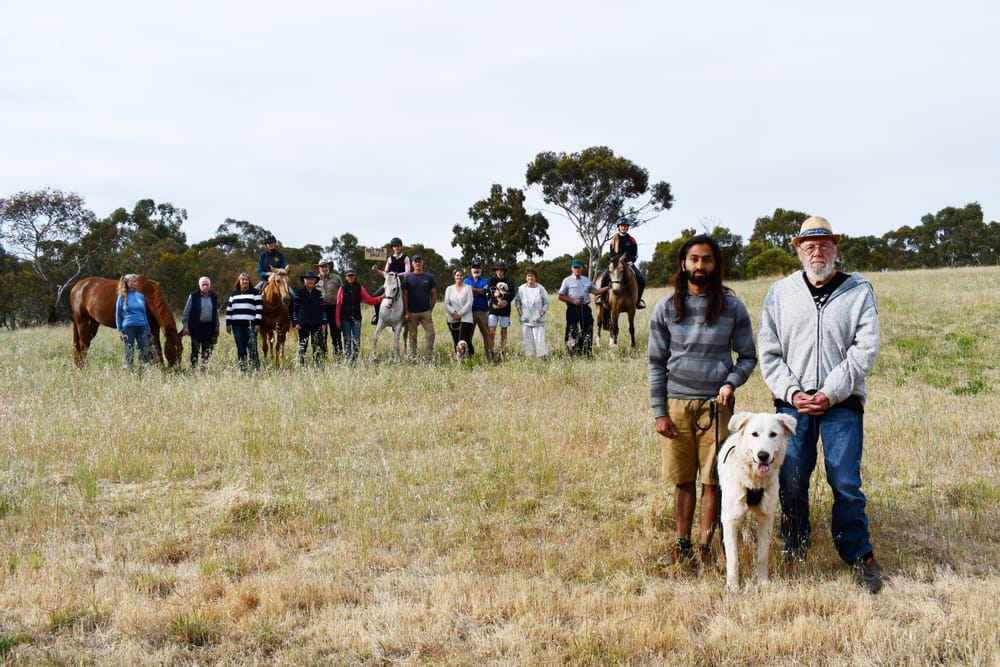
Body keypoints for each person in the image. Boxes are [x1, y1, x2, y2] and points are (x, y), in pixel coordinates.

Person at [758, 216, 884, 594]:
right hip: (791, 405)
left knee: (844, 480)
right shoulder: (780, 292)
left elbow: (866, 348)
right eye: (809, 246)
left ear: (836, 249)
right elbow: (769, 351)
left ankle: (857, 553)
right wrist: (793, 392)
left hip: (841, 402)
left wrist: (830, 391)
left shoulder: (858, 290)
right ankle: (796, 545)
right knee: (792, 478)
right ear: (798, 251)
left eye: (825, 245)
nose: (818, 252)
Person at [647, 235, 757, 569]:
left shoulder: (732, 307)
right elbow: (655, 363)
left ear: (715, 265)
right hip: (677, 405)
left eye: (706, 259)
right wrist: (659, 412)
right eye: (693, 259)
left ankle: (706, 547)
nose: (699, 266)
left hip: (717, 407)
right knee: (683, 480)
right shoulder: (666, 307)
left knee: (713, 480)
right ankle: (682, 544)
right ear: (683, 263)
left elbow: (748, 357)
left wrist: (730, 383)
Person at [557, 260, 609, 356]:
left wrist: (607, 288)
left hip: (585, 307)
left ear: (582, 268)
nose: (577, 269)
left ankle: (587, 351)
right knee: (572, 328)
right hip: (572, 308)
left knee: (588, 326)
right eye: (575, 267)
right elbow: (560, 296)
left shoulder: (586, 280)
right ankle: (571, 352)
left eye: (578, 267)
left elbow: (596, 292)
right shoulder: (567, 280)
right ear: (572, 269)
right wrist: (573, 301)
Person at [335, 268, 381, 362]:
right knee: (347, 340)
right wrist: (337, 320)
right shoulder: (341, 289)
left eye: (352, 276)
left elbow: (369, 300)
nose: (351, 277)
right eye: (349, 276)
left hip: (356, 318)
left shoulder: (360, 288)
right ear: (346, 277)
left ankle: (355, 359)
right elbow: (338, 305)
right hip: (345, 318)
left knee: (356, 340)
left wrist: (381, 298)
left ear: (355, 277)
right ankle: (348, 359)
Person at [600, 216, 646, 308]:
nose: (623, 227)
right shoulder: (614, 239)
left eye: (625, 226)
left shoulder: (631, 239)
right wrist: (616, 262)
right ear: (618, 227)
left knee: (642, 279)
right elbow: (612, 254)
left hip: (628, 264)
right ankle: (601, 298)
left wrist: (632, 261)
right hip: (616, 264)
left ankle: (638, 300)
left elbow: (635, 253)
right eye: (621, 226)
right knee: (604, 278)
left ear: (627, 227)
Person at [402, 254, 437, 362]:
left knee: (431, 334)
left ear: (422, 262)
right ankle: (414, 359)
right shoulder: (407, 277)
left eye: (419, 261)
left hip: (425, 312)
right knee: (412, 337)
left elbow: (434, 295)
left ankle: (428, 357)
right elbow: (405, 295)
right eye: (415, 261)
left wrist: (430, 310)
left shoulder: (429, 277)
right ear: (412, 263)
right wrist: (406, 312)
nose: (417, 263)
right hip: (412, 313)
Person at [225, 272, 262, 371]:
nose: (245, 281)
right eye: (242, 279)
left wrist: (258, 323)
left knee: (252, 347)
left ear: (249, 281)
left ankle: (255, 369)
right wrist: (228, 324)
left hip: (250, 325)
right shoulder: (233, 294)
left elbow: (259, 308)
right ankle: (243, 369)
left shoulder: (255, 293)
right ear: (239, 281)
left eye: (246, 279)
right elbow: (229, 309)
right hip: (236, 325)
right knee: (241, 348)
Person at [180, 276, 220, 369]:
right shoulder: (193, 296)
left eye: (207, 285)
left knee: (207, 351)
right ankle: (193, 368)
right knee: (195, 350)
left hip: (209, 327)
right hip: (196, 327)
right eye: (203, 285)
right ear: (199, 286)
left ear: (210, 286)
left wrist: (217, 328)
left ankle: (204, 369)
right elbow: (186, 313)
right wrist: (186, 327)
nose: (205, 286)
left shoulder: (213, 296)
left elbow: (216, 314)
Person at [114, 273, 152, 371]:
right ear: (128, 283)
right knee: (129, 350)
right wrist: (119, 330)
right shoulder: (121, 297)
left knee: (145, 350)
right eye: (134, 281)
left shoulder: (140, 296)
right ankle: (129, 371)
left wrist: (148, 328)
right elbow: (118, 314)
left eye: (137, 281)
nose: (137, 283)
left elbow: (144, 313)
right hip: (128, 327)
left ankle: (143, 370)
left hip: (142, 326)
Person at [370, 237, 411, 325]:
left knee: (408, 296)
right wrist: (377, 270)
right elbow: (385, 272)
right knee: (375, 296)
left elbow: (407, 272)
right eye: (395, 246)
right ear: (392, 248)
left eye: (398, 246)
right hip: (390, 283)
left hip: (401, 282)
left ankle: (408, 315)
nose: (397, 248)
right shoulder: (389, 259)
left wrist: (396, 275)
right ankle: (377, 316)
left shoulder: (405, 258)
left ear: (401, 246)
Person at [292, 270, 327, 367]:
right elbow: (295, 309)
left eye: (312, 280)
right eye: (308, 279)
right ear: (304, 280)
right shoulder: (298, 293)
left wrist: (324, 323)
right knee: (303, 345)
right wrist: (296, 322)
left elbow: (323, 309)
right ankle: (302, 365)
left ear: (315, 281)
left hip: (317, 323)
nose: (310, 281)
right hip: (303, 324)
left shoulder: (319, 293)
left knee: (316, 346)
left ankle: (317, 365)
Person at [514, 267, 549, 358]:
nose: (530, 278)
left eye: (532, 276)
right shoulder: (521, 288)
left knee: (539, 339)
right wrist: (519, 311)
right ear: (526, 277)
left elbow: (546, 302)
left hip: (538, 319)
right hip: (525, 319)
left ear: (535, 277)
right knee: (527, 339)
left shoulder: (541, 289)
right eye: (528, 276)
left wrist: (542, 312)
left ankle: (541, 357)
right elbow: (517, 301)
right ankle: (529, 357)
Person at [487, 260, 516, 359]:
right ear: (495, 271)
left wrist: (506, 301)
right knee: (491, 331)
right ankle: (490, 352)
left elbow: (512, 294)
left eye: (501, 270)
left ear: (504, 271)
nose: (499, 272)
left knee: (504, 332)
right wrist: (496, 302)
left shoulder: (509, 281)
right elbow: (490, 294)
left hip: (505, 310)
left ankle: (502, 352)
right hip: (493, 310)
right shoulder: (492, 281)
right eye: (497, 270)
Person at [443, 267, 474, 359]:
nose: (459, 277)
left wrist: (460, 314)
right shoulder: (449, 289)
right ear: (454, 276)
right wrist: (453, 313)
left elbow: (469, 303)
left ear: (463, 277)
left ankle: (469, 355)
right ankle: (459, 359)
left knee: (464, 340)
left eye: (461, 275)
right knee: (456, 340)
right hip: (452, 318)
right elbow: (446, 303)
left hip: (466, 318)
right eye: (457, 275)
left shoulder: (468, 288)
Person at [317, 256, 343, 357]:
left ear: (329, 267)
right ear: (319, 268)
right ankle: (322, 357)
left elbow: (342, 293)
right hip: (320, 310)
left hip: (334, 309)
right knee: (322, 334)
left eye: (326, 266)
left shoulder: (336, 278)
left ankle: (338, 356)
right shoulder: (315, 279)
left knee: (336, 334)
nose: (324, 268)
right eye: (322, 267)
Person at [464, 258, 490, 358]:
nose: (476, 270)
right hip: (469, 312)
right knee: (468, 335)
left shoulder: (486, 280)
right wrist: (479, 291)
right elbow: (466, 294)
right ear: (471, 269)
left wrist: (473, 290)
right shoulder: (466, 280)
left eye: (478, 268)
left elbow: (485, 292)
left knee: (486, 335)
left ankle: (488, 356)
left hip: (483, 311)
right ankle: (468, 356)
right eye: (474, 267)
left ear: (481, 269)